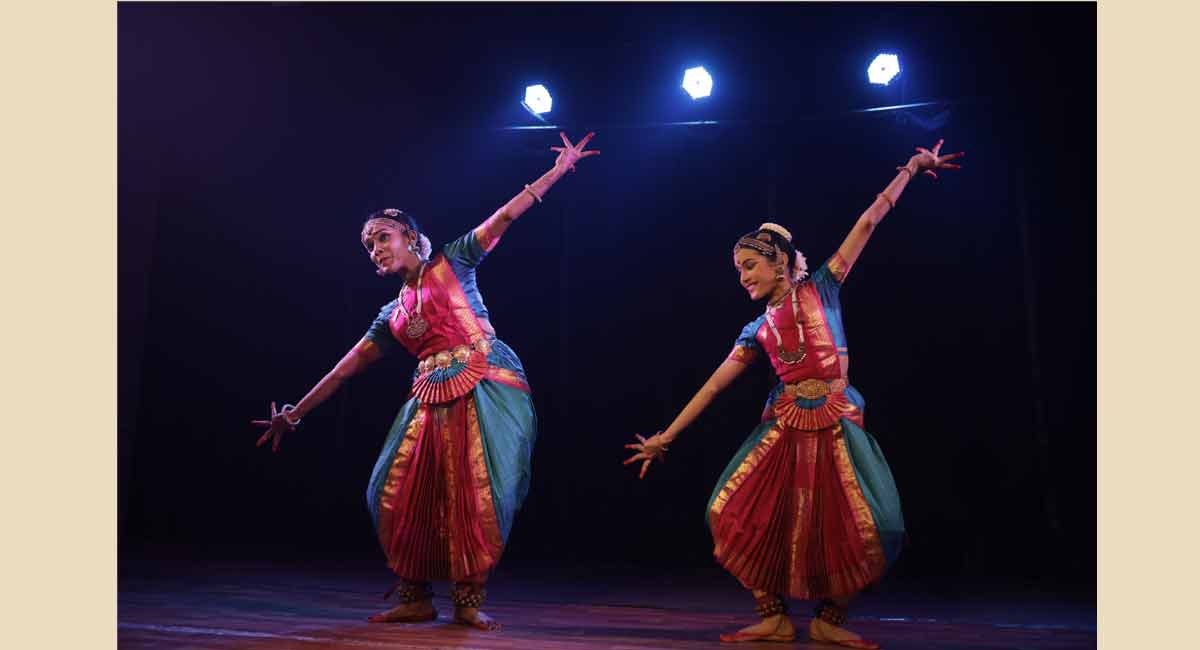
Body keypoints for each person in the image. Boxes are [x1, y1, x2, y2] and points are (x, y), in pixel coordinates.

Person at [253, 132, 600, 631]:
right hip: (430, 394)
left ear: (411, 238)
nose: (374, 249)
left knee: (477, 490)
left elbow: (503, 217)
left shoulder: (453, 261)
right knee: (393, 490)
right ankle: (415, 596)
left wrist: (558, 171)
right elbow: (345, 367)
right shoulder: (391, 314)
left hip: (485, 381)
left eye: (383, 238)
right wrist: (296, 413)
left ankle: (467, 599)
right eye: (368, 245)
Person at [623, 139, 963, 648]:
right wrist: (664, 436)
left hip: (837, 418)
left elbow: (868, 222)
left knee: (870, 524)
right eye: (738, 270)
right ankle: (773, 614)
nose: (742, 277)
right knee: (731, 512)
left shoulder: (822, 287)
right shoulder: (755, 330)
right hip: (783, 425)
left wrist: (911, 170)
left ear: (779, 262)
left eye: (749, 267)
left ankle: (831, 617)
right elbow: (714, 385)